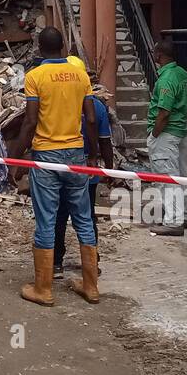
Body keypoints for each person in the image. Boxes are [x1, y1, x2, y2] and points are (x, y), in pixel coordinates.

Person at [10, 27, 99, 306]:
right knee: (83, 218)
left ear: (39, 48)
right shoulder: (81, 75)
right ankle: (91, 286)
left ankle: (43, 288)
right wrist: (92, 154)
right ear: (63, 47)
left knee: (47, 219)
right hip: (75, 155)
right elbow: (92, 119)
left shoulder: (35, 77)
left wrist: (16, 157)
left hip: (47, 155)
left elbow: (30, 121)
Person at [53, 74, 114, 279]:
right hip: (88, 168)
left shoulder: (58, 100)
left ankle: (56, 263)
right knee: (87, 216)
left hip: (59, 164)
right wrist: (109, 169)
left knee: (59, 214)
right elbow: (105, 140)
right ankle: (91, 265)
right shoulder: (96, 106)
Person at [147, 37, 187, 237]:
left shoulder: (167, 79)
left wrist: (154, 133)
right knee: (181, 176)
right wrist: (185, 112)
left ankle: (173, 221)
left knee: (167, 178)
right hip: (180, 131)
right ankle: (183, 215)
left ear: (159, 55)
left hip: (166, 134)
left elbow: (164, 112)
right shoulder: (183, 74)